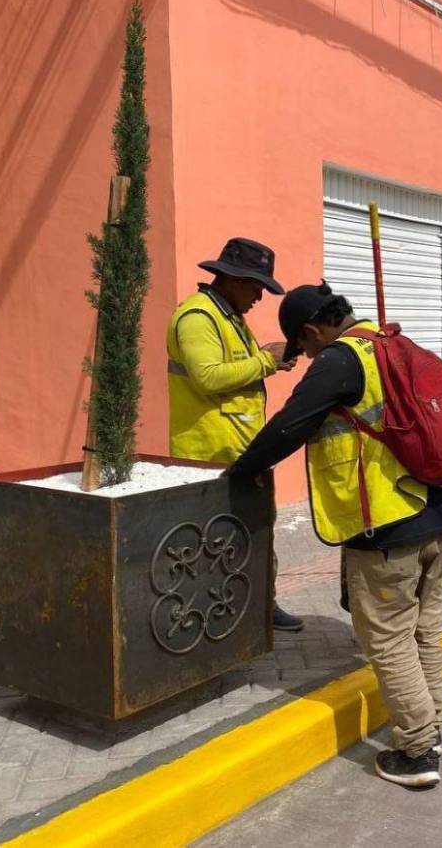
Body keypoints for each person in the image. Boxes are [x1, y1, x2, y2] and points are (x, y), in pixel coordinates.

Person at [228, 283, 442, 790]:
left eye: (303, 346)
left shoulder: (338, 361)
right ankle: (432, 726)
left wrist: (239, 473)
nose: (306, 355)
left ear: (312, 331)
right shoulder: (394, 343)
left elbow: (288, 427)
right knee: (425, 629)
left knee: (390, 638)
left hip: (389, 527)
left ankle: (419, 750)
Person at [166, 237, 305, 632]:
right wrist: (265, 361)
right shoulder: (198, 318)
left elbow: (232, 369)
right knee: (213, 540)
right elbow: (208, 377)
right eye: (256, 286)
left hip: (240, 448)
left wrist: (267, 359)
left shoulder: (226, 316)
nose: (260, 296)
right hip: (210, 453)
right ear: (232, 279)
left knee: (254, 531)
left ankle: (260, 602)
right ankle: (211, 613)